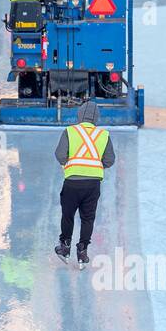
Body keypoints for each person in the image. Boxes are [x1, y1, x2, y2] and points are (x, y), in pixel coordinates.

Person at [53, 100, 116, 267]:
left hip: (72, 183)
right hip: (93, 185)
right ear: (97, 118)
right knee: (88, 218)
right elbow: (110, 160)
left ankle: (65, 246)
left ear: (79, 115)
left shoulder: (70, 131)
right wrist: (94, 166)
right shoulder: (103, 135)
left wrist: (70, 162)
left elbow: (60, 155)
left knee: (68, 215)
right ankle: (82, 251)